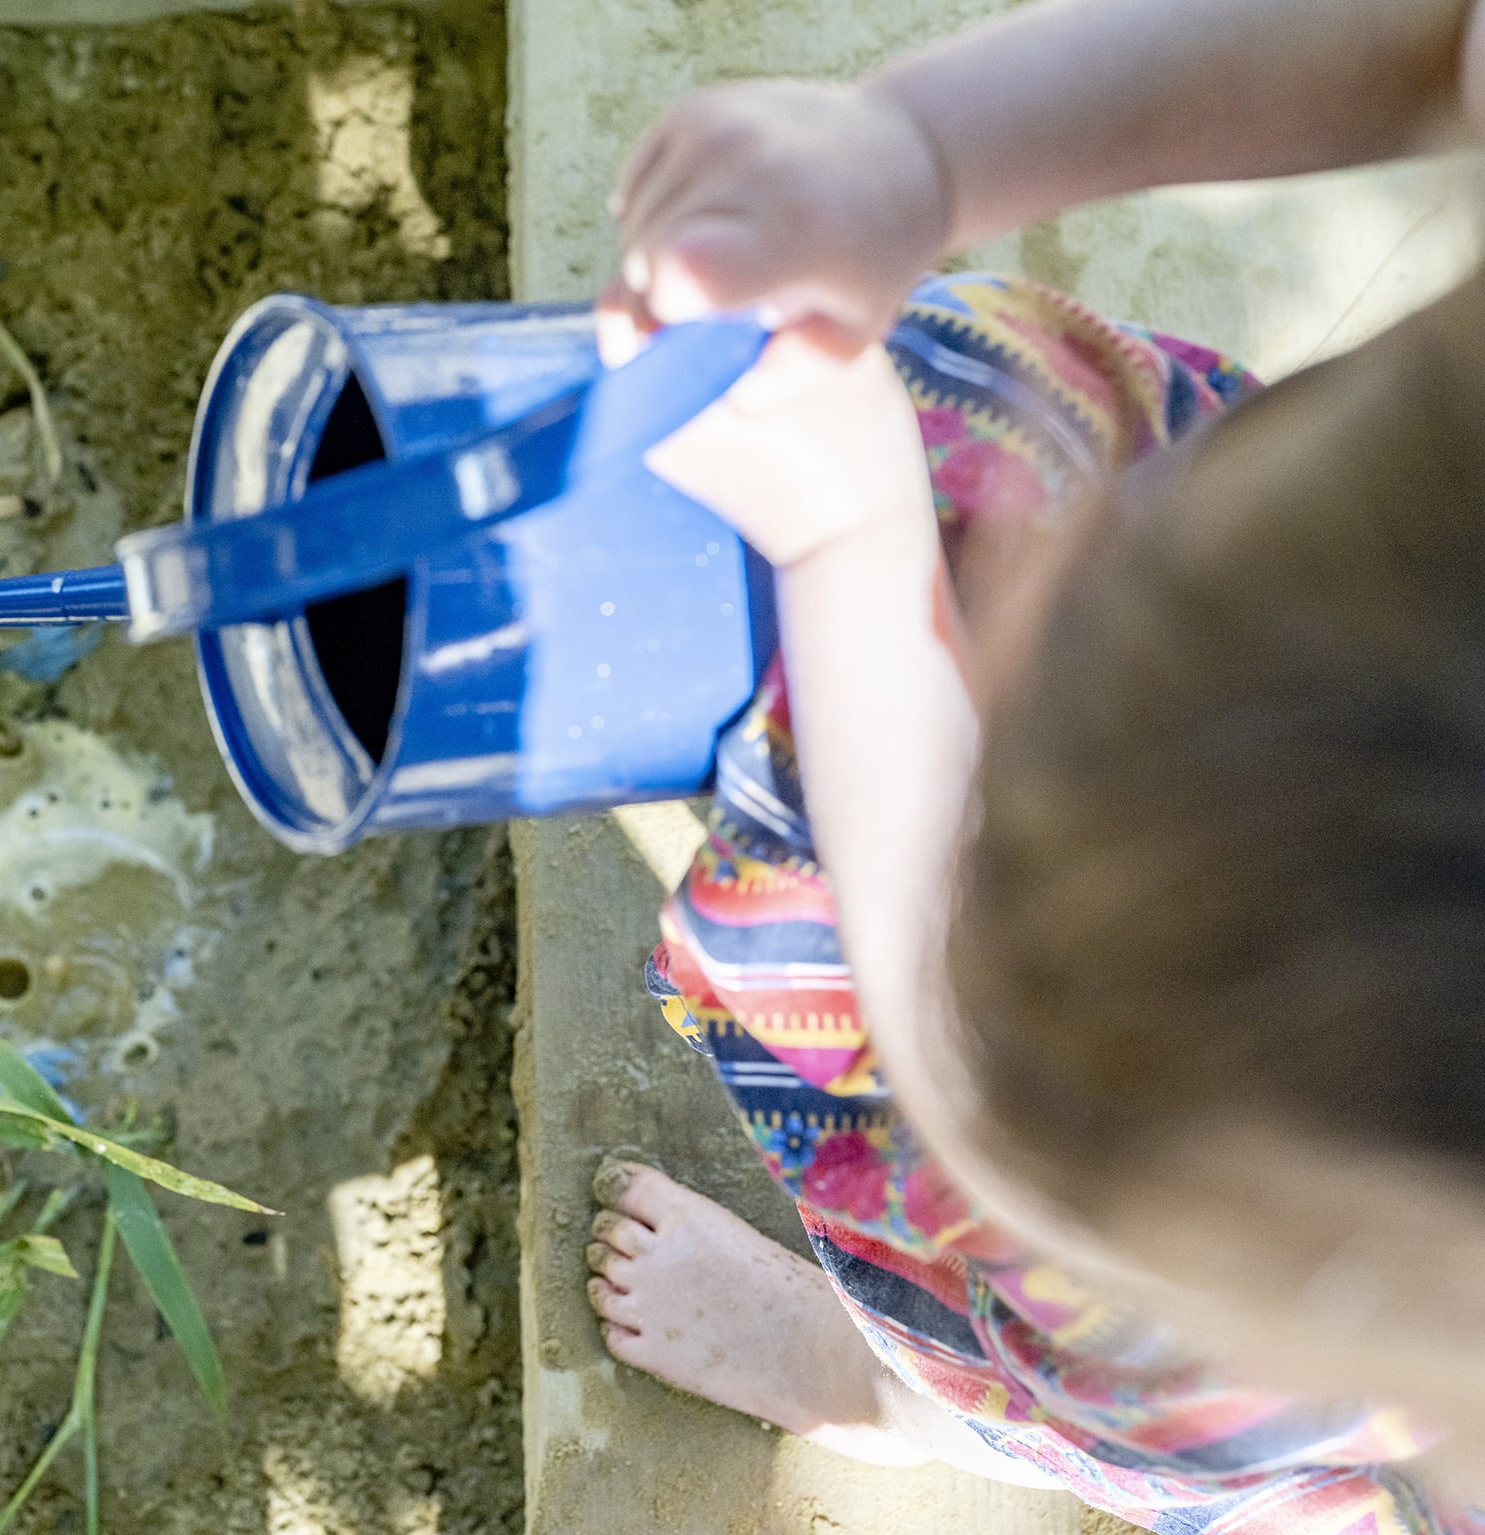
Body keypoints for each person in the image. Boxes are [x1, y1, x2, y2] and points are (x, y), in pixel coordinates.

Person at [584, 1, 1485, 1530]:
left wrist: (854, 553)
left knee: (1089, 1368)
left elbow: (965, 1082)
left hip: (1232, 1310)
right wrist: (923, 149)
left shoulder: (1287, 1241)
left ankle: (902, 1393)